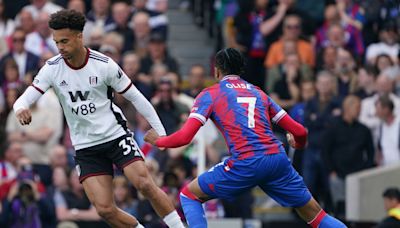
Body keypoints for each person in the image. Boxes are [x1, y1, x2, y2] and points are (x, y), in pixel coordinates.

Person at [12, 9, 185, 228]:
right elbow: (22, 100)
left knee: (144, 184)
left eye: (65, 41)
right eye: (57, 42)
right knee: (104, 210)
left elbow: (138, 99)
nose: (61, 47)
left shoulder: (103, 64)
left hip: (115, 135)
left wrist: (162, 135)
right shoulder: (52, 68)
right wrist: (21, 109)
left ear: (79, 36)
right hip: (86, 146)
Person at [144, 48, 346, 228]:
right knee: (315, 215)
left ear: (216, 71)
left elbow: (185, 137)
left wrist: (158, 141)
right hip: (277, 160)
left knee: (189, 195)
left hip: (246, 162)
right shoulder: (259, 93)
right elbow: (301, 131)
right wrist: (298, 144)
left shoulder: (210, 94)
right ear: (240, 70)